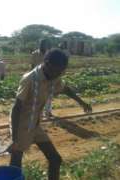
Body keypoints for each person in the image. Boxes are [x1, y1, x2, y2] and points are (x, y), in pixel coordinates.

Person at [9, 49, 92, 180]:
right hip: (22, 126)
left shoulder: (53, 77)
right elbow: (16, 108)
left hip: (35, 125)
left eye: (61, 71)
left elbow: (65, 89)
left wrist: (82, 102)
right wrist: (14, 139)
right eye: (57, 70)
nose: (59, 74)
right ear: (47, 63)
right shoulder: (29, 79)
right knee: (15, 168)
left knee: (55, 159)